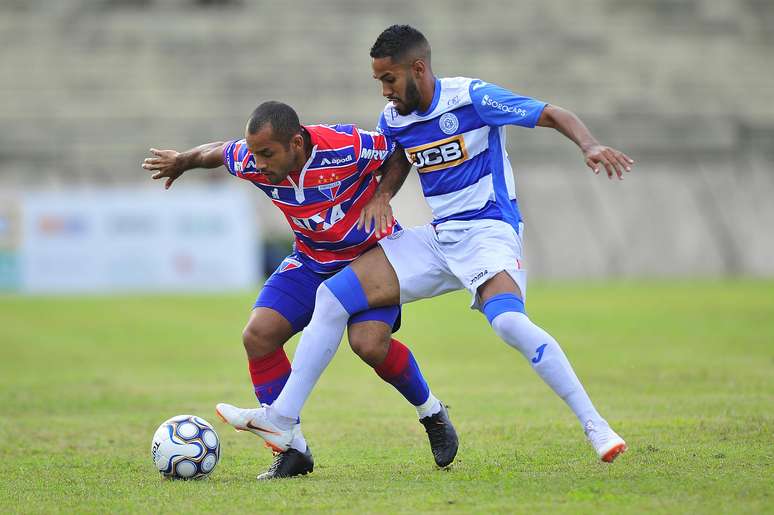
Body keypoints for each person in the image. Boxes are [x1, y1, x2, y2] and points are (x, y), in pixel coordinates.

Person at [216, 24, 634, 464]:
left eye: (388, 79)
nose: (384, 91)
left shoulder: (471, 98)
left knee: (509, 324)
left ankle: (596, 426)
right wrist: (381, 195)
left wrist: (589, 144)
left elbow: (550, 112)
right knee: (331, 297)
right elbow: (397, 159)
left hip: (488, 233)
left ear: (418, 69)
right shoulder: (394, 119)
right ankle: (283, 418)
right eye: (378, 81)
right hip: (438, 237)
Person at [142, 100, 458, 479]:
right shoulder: (252, 159)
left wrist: (382, 195)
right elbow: (216, 152)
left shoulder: (344, 145)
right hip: (311, 262)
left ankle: (432, 413)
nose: (257, 163)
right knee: (258, 336)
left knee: (369, 344)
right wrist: (182, 161)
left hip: (371, 259)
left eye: (266, 154)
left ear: (296, 143)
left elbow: (398, 151)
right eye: (254, 153)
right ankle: (292, 448)